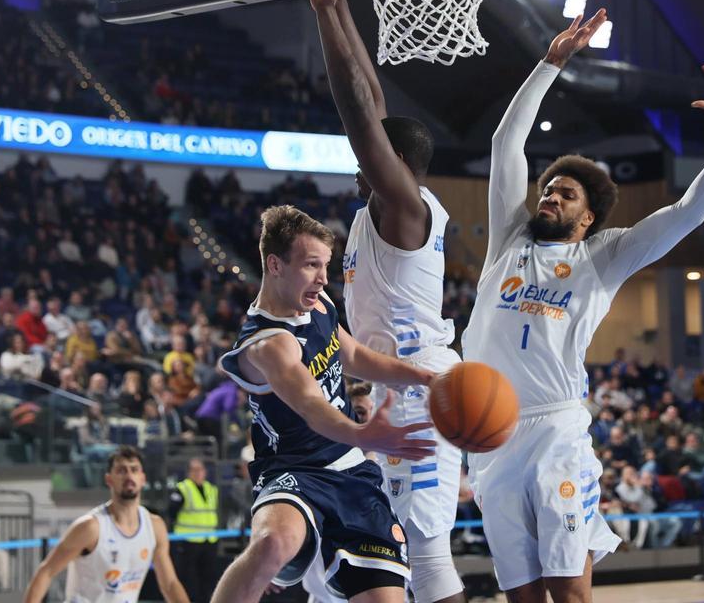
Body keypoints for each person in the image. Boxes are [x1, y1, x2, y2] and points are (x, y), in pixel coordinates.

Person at [462, 8, 704, 602]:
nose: (550, 195)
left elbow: (687, 214)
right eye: (548, 188)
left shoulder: (603, 258)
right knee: (521, 596)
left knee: (569, 592)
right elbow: (504, 144)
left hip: (555, 431)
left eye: (565, 194)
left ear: (587, 217)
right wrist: (549, 64)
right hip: (490, 437)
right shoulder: (509, 239)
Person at [310, 0, 465, 603]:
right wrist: (339, 6)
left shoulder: (404, 208)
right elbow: (371, 102)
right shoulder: (385, 210)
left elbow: (358, 113)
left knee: (424, 554)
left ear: (393, 162)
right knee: (401, 551)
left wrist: (324, 17)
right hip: (397, 386)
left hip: (418, 386)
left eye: (371, 155)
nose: (357, 163)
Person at [213, 205, 438, 603]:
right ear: (275, 265)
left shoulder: (318, 305)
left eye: (326, 266)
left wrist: (422, 377)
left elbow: (353, 355)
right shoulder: (268, 345)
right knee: (272, 543)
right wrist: (361, 432)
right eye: (312, 265)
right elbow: (311, 406)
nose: (322, 278)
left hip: (352, 474)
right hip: (293, 471)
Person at [24, 446, 189, 603]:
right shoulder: (90, 527)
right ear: (108, 479)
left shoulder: (155, 526)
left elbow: (169, 584)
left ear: (142, 478)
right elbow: (46, 571)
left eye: (134, 469)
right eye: (121, 470)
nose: (129, 476)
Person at [170, 459, 220, 602]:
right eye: (194, 470)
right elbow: (171, 512)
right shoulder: (182, 488)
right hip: (188, 540)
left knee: (209, 578)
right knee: (189, 579)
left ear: (205, 472)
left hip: (209, 539)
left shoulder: (212, 489)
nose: (198, 473)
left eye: (200, 470)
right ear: (189, 473)